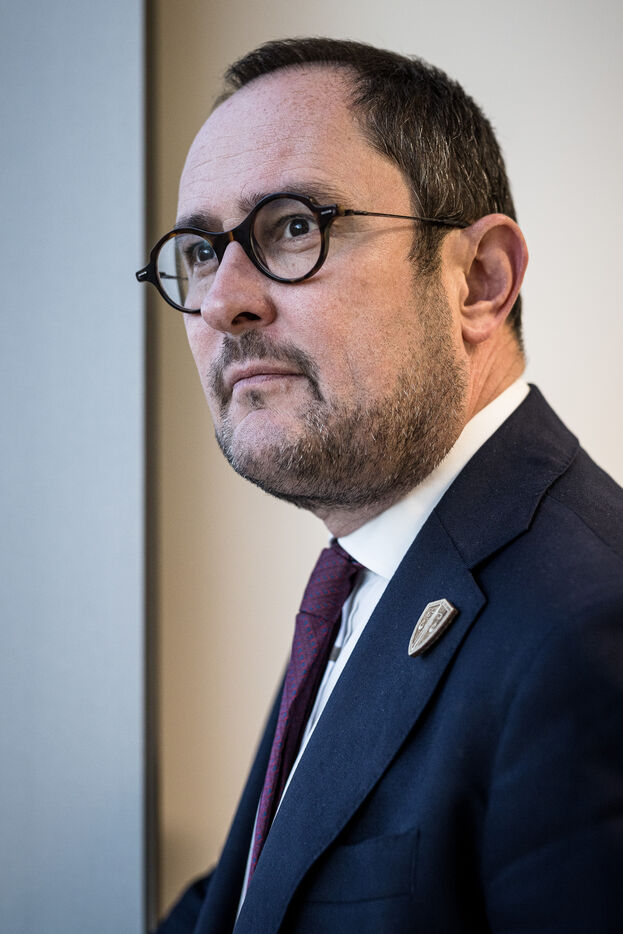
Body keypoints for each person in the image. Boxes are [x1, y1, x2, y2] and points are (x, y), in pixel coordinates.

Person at [137, 37, 623, 934]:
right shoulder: (367, 573)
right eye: (201, 251)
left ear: (479, 280)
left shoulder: (589, 626)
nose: (223, 303)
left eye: (293, 226)